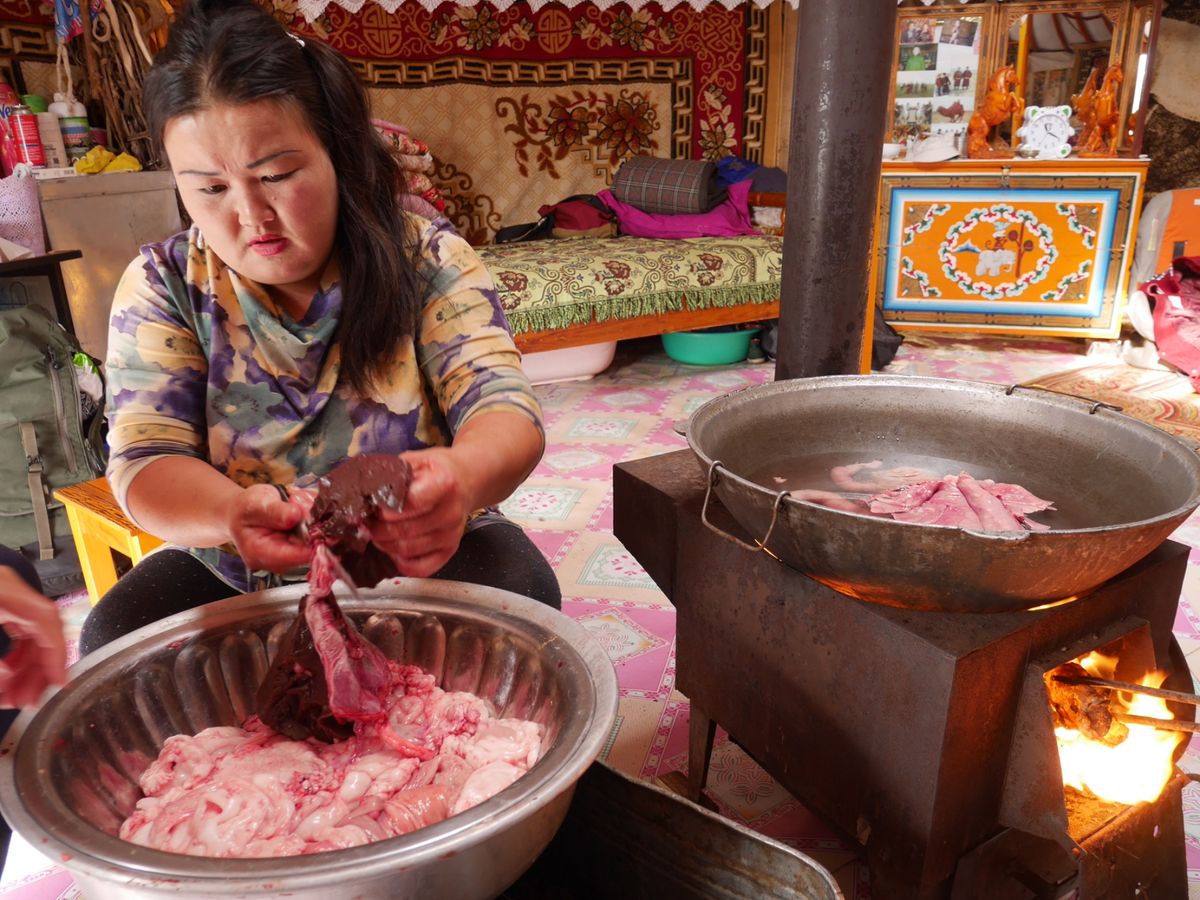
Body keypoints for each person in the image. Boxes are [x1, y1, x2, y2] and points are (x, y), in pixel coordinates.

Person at [79, 0, 558, 655]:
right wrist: (231, 512)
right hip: (243, 563)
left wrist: (462, 476)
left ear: (336, 150)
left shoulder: (426, 259)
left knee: (520, 597)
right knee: (117, 637)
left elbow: (502, 407)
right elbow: (145, 460)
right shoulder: (164, 285)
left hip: (419, 549)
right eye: (209, 188)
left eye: (276, 175)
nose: (252, 214)